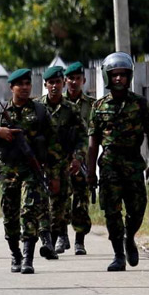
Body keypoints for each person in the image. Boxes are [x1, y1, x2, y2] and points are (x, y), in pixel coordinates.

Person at [0, 68, 60, 274]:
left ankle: (28, 258)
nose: (25, 88)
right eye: (20, 84)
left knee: (29, 210)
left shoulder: (40, 111)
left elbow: (53, 145)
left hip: (32, 171)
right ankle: (15, 254)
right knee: (10, 215)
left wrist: (54, 174)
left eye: (27, 84)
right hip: (8, 171)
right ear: (11, 87)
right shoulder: (0, 112)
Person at [87, 52, 149, 271]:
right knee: (111, 210)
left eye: (123, 75)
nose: (119, 79)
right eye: (114, 75)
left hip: (134, 162)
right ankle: (118, 254)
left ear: (129, 77)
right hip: (108, 164)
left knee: (138, 208)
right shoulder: (98, 107)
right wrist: (90, 174)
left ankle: (130, 237)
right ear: (108, 77)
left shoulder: (140, 103)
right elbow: (93, 143)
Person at [35, 66, 87, 260]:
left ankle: (55, 237)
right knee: (41, 204)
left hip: (63, 165)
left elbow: (83, 137)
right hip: (40, 164)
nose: (55, 86)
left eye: (58, 82)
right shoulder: (37, 107)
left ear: (62, 83)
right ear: (45, 85)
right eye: (51, 83)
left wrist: (77, 158)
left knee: (59, 206)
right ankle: (46, 240)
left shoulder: (71, 109)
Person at [63, 61, 96, 255]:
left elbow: (93, 134)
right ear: (65, 80)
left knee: (81, 202)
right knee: (60, 200)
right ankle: (61, 235)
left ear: (83, 80)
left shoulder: (92, 104)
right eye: (70, 79)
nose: (74, 82)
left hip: (82, 160)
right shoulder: (58, 101)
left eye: (77, 79)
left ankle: (79, 240)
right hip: (60, 159)